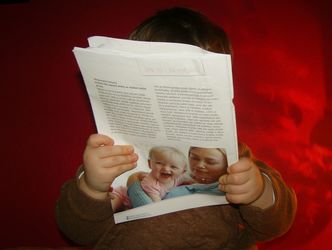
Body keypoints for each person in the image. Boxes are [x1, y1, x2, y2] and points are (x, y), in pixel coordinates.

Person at [56, 7, 297, 249]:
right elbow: (78, 232)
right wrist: (91, 187)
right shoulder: (110, 157)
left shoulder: (232, 157)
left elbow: (274, 224)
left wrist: (259, 191)